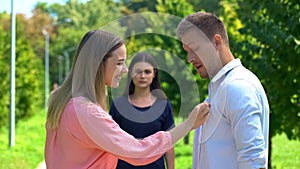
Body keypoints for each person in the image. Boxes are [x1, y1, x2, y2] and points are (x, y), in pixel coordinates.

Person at [44, 29, 210, 169]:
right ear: (97, 63)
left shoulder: (61, 101)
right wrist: (188, 124)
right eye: (119, 63)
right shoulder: (87, 112)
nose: (124, 70)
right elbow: (137, 151)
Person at [176, 12, 269, 169]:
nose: (189, 58)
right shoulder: (219, 87)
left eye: (195, 48)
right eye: (187, 51)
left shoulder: (238, 87)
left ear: (217, 42)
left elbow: (253, 161)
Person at [110, 52, 175, 169]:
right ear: (131, 73)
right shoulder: (118, 105)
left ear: (154, 74)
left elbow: (169, 144)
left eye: (147, 72)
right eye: (138, 71)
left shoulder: (164, 105)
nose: (143, 76)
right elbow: (110, 142)